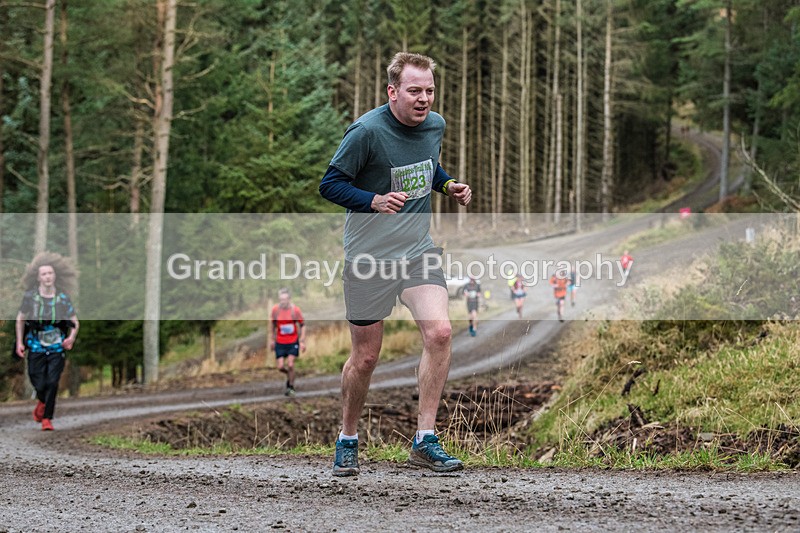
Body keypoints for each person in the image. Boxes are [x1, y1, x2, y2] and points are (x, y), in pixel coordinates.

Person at [319, 51, 472, 476]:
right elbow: (329, 184)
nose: (423, 99)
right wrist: (373, 200)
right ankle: (348, 437)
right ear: (392, 91)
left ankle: (425, 440)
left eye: (429, 91)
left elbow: (426, 166)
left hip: (416, 251)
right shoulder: (366, 132)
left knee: (439, 332)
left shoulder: (435, 125)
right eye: (414, 91)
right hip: (368, 259)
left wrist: (447, 184)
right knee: (365, 358)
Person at [14, 252, 79, 431]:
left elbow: (74, 322)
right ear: (38, 277)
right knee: (38, 382)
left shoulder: (63, 298)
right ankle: (42, 402)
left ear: (55, 276)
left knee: (52, 382)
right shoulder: (31, 298)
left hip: (57, 345)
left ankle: (46, 419)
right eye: (44, 274)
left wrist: (70, 338)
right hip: (35, 344)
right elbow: (20, 319)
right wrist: (20, 342)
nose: (48, 276)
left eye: (50, 273)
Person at [268, 288, 306, 397]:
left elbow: (302, 325)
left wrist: (302, 341)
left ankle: (291, 386)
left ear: (289, 299)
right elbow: (272, 325)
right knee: (280, 367)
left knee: (290, 364)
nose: (283, 302)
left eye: (284, 299)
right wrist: (272, 339)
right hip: (280, 341)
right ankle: (291, 375)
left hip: (292, 341)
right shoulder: (276, 310)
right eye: (281, 299)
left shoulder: (295, 310)